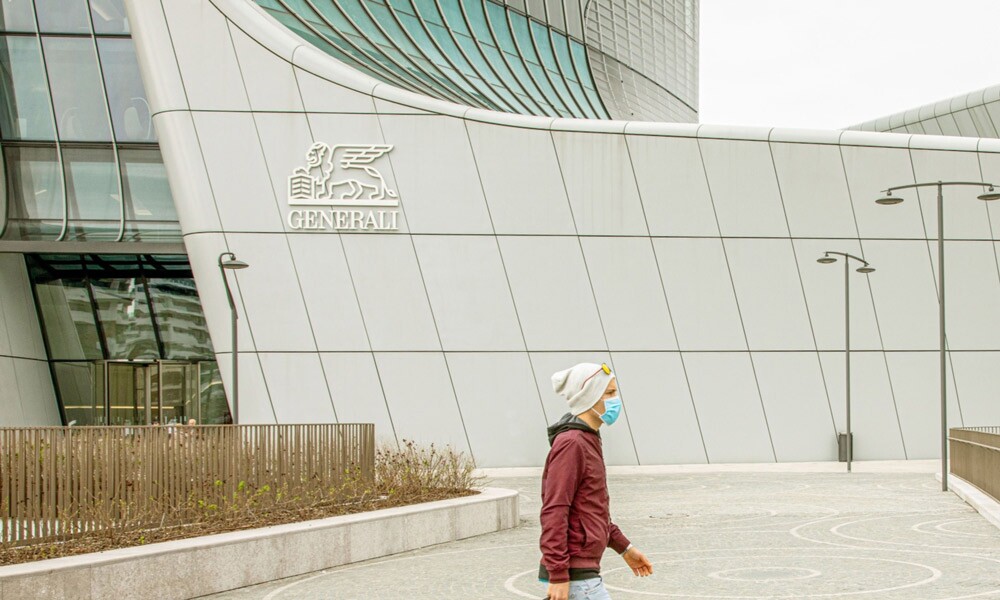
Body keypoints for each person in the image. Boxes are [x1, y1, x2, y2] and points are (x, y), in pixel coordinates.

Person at [539, 362, 653, 600]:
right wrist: (559, 575)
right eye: (609, 393)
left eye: (615, 392)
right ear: (588, 396)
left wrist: (625, 548)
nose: (615, 400)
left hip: (583, 573)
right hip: (577, 578)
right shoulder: (573, 443)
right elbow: (555, 510)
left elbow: (591, 509)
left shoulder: (588, 439)